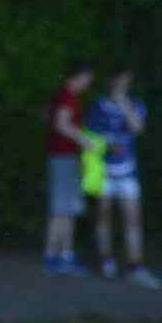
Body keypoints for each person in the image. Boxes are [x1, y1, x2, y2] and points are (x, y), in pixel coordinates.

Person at [85, 68, 162, 290]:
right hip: (102, 171)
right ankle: (106, 260)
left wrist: (124, 104)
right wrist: (106, 145)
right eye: (120, 81)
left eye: (127, 82)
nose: (123, 86)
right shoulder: (97, 106)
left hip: (126, 171)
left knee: (133, 218)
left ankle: (135, 266)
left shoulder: (135, 104)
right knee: (103, 214)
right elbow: (88, 135)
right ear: (111, 80)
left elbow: (137, 128)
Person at [41, 62, 97, 277]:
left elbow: (45, 115)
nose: (89, 83)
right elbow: (61, 123)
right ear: (81, 75)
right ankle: (52, 255)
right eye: (88, 78)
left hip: (62, 155)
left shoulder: (61, 94)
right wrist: (84, 141)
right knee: (62, 207)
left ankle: (64, 254)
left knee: (67, 207)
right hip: (64, 156)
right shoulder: (68, 95)